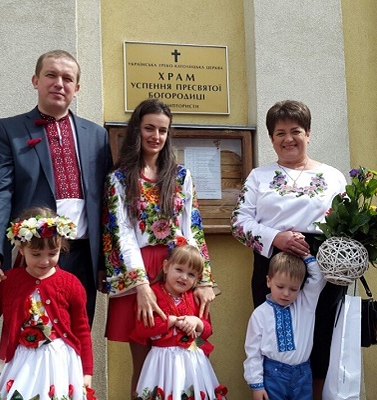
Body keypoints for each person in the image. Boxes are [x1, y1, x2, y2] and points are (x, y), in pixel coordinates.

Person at [0, 50, 112, 325]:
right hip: (35, 257)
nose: (59, 83)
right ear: (36, 81)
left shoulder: (97, 135)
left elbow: (106, 204)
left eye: (67, 78)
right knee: (33, 337)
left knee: (77, 337)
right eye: (51, 75)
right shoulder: (9, 130)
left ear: (77, 88)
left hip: (84, 258)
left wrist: (106, 263)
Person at [230, 99, 347, 398]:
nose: (288, 139)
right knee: (271, 334)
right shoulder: (259, 176)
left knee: (321, 335)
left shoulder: (333, 177)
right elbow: (239, 223)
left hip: (322, 266)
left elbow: (347, 224)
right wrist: (276, 238)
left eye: (295, 131)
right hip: (274, 263)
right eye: (280, 133)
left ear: (308, 133)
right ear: (271, 138)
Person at [101, 98, 216, 395]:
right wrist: (140, 286)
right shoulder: (119, 178)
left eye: (162, 130)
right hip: (138, 271)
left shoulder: (180, 175)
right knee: (145, 366)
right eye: (149, 128)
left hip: (178, 269)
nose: (156, 136)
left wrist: (204, 279)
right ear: (136, 130)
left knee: (187, 353)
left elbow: (192, 229)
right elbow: (122, 233)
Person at [0, 207, 96, 400]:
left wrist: (87, 371)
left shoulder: (71, 284)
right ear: (21, 249)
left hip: (60, 363)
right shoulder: (9, 282)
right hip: (23, 364)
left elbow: (82, 328)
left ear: (61, 246)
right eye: (36, 254)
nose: (45, 261)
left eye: (52, 253)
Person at [131, 245, 227, 400]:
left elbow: (207, 331)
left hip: (192, 361)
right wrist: (170, 321)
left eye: (191, 274)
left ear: (197, 279)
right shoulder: (152, 295)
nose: (184, 277)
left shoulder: (194, 297)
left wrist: (196, 322)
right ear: (166, 267)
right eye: (179, 270)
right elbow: (142, 329)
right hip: (162, 361)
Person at [244, 252, 325, 400]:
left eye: (293, 289)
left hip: (303, 377)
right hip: (273, 378)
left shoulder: (305, 304)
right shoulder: (260, 314)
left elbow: (318, 277)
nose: (286, 293)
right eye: (280, 286)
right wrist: (257, 385)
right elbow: (253, 352)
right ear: (268, 281)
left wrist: (304, 254)